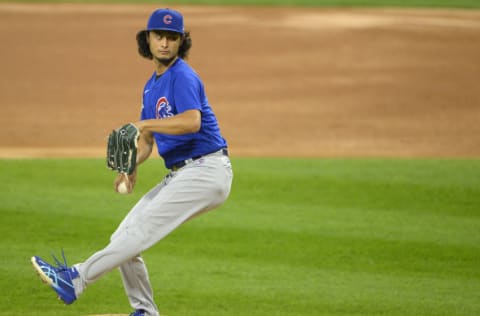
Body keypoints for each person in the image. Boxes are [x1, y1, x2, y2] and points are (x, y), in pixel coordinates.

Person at [31, 8, 233, 316]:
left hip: (206, 169)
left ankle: (76, 278)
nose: (165, 43)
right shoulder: (151, 87)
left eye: (172, 37)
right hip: (185, 172)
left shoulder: (183, 76)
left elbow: (192, 122)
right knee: (124, 237)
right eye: (159, 36)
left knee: (138, 232)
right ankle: (144, 310)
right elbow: (148, 143)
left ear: (181, 42)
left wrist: (145, 125)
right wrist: (132, 165)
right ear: (147, 39)